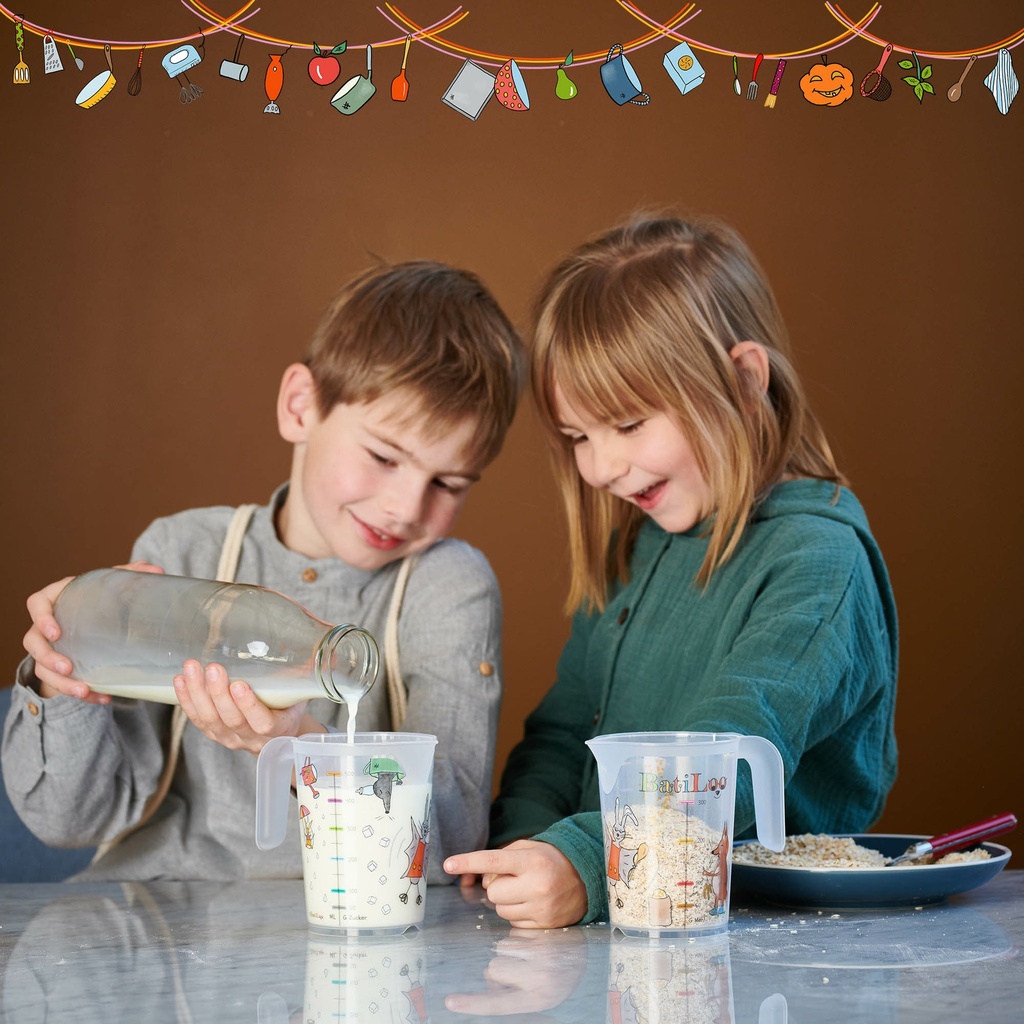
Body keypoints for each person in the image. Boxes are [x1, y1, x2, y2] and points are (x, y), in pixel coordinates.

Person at [2, 259, 525, 883]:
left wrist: (299, 741)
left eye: (448, 482)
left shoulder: (446, 588)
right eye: (385, 457)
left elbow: (453, 839)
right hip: (154, 923)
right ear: (301, 405)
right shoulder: (185, 550)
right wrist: (65, 679)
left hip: (346, 935)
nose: (407, 507)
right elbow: (68, 821)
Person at [444, 215, 898, 927]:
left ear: (745, 381)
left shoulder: (818, 561)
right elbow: (564, 733)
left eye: (626, 426)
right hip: (622, 924)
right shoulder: (640, 548)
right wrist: (529, 844)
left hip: (759, 937)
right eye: (577, 437)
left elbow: (731, 754)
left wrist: (585, 862)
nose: (600, 467)